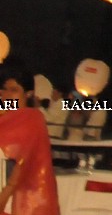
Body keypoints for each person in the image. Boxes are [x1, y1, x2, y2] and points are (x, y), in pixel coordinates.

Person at [0, 63, 60, 215]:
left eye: (14, 90)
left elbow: (17, 170)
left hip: (18, 202)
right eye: (2, 89)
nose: (6, 95)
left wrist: (2, 199)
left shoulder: (32, 120)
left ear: (28, 94)